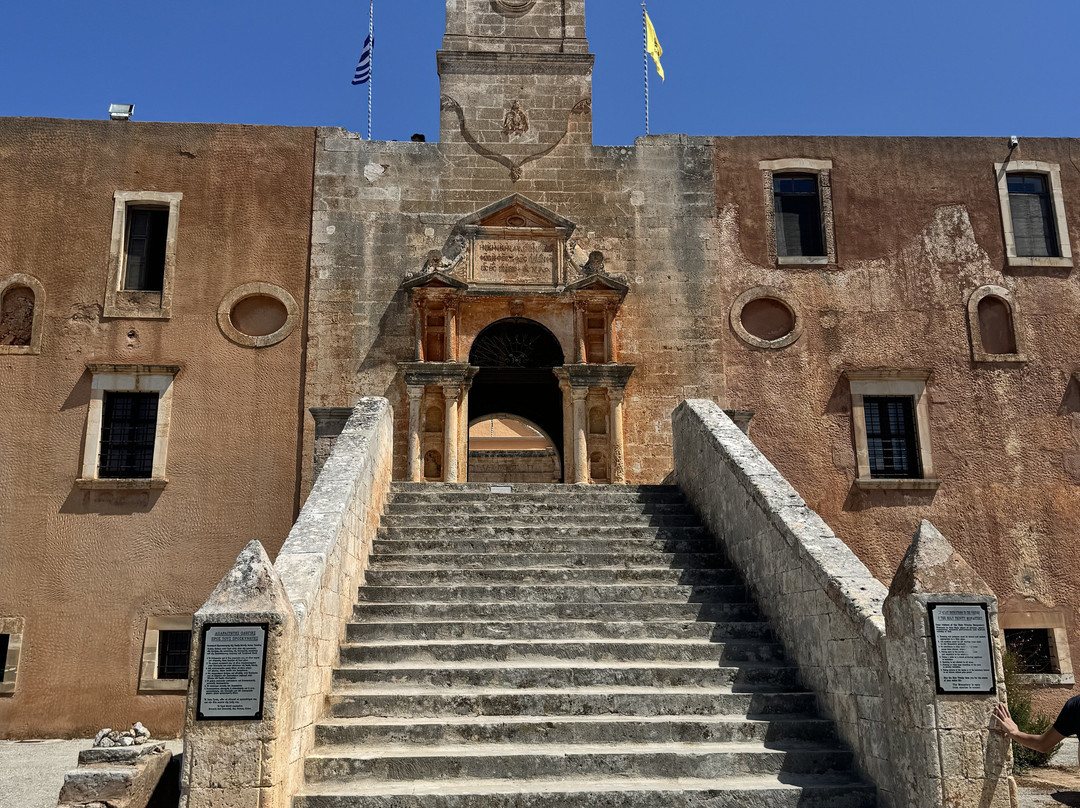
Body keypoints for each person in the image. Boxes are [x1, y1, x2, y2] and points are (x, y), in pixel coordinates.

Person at [993, 697, 1080, 758]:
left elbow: (1043, 744)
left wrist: (1015, 733)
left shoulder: (1075, 705)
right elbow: (1043, 744)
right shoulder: (1075, 705)